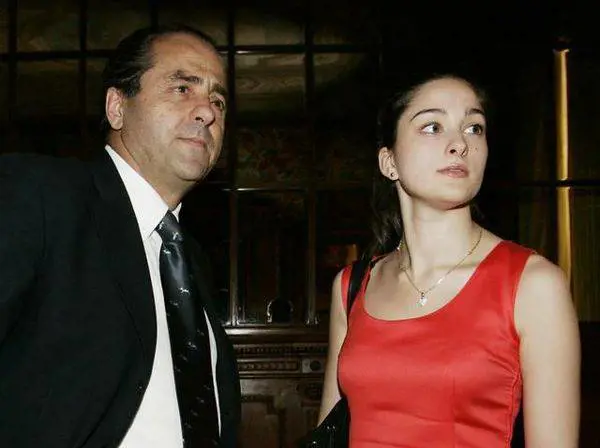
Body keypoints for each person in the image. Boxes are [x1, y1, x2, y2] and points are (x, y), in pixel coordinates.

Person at [0, 25, 240, 447]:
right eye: (182, 88)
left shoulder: (189, 259)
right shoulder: (39, 195)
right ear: (117, 108)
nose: (208, 111)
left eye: (218, 100)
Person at [318, 74, 580, 447]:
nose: (460, 144)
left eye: (474, 128)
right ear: (389, 162)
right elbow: (328, 432)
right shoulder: (352, 285)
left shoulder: (533, 284)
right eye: (433, 126)